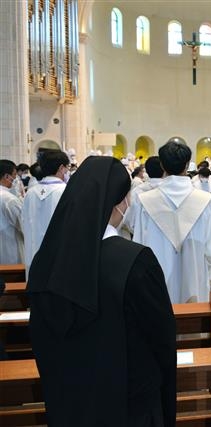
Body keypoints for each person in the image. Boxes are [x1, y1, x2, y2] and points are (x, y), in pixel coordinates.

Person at [27, 156, 176, 426]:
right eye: (126, 197)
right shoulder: (136, 261)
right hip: (129, 405)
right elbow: (161, 340)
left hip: (68, 403)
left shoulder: (45, 262)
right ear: (117, 202)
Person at [133, 141, 211, 303]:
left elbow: (139, 245)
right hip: (195, 279)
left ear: (162, 165)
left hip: (158, 283)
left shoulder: (146, 201)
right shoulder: (204, 200)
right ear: (187, 164)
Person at [22, 150, 69, 273]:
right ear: (61, 168)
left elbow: (24, 223)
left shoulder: (30, 193)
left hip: (33, 256)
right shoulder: (67, 192)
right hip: (58, 260)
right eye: (67, 168)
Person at [122, 156, 164, 236]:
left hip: (141, 238)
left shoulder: (137, 192)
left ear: (146, 171)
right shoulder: (170, 190)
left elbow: (129, 220)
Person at [0, 160, 24, 264]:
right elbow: (23, 225)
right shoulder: (9, 199)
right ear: (6, 176)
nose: (15, 178)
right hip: (10, 251)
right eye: (14, 175)